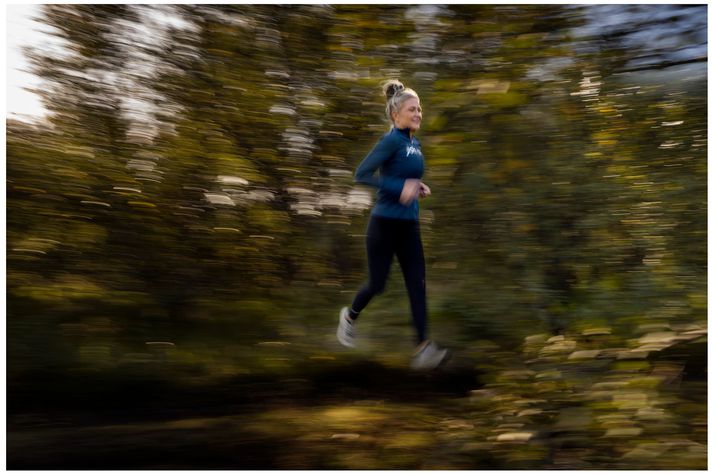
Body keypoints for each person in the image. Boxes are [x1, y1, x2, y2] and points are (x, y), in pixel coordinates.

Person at [337, 79, 449, 370]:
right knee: (377, 284)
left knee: (417, 284)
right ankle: (349, 316)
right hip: (384, 224)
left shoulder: (415, 141)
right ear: (395, 114)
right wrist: (399, 188)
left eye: (420, 109)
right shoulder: (390, 140)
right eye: (412, 109)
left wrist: (417, 186)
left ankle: (423, 348)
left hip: (409, 225)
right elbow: (361, 174)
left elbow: (406, 175)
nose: (418, 113)